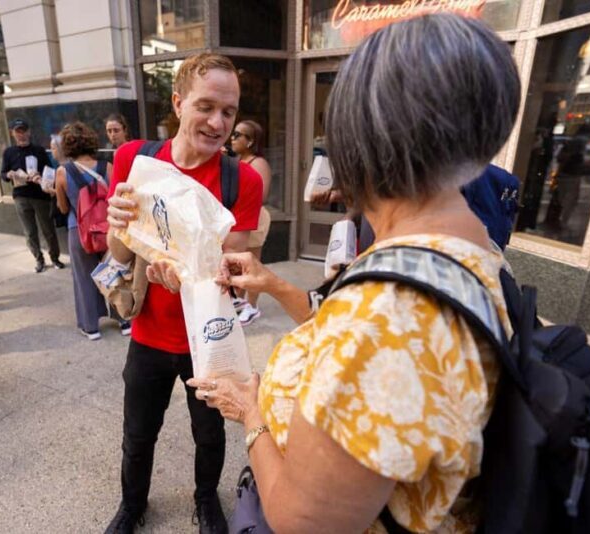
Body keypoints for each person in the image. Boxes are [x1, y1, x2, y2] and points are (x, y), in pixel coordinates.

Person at [187, 14, 520, 532]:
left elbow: (304, 521)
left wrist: (252, 415)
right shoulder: (472, 248)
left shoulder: (382, 319)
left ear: (357, 142)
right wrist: (273, 283)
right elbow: (339, 327)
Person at [105, 53, 263, 533]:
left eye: (229, 111)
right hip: (150, 334)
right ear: (178, 103)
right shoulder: (134, 159)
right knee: (138, 435)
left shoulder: (243, 180)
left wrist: (188, 272)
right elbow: (119, 250)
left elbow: (229, 270)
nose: (217, 122)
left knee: (209, 434)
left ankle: (206, 502)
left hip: (207, 338)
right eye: (206, 106)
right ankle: (132, 505)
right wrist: (117, 226)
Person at [53, 122, 130, 340]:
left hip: (78, 230)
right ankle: (124, 320)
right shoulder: (106, 166)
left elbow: (63, 207)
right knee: (114, 271)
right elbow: (116, 197)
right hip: (107, 229)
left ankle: (91, 327)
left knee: (83, 277)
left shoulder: (62, 172)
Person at [0, 119, 64, 273]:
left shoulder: (39, 150)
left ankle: (55, 258)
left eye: (23, 131)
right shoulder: (9, 152)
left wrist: (40, 175)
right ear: (13, 133)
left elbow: (49, 171)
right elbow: (3, 174)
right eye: (17, 131)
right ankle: (39, 259)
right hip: (20, 196)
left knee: (48, 229)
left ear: (29, 132)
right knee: (29, 232)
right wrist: (9, 174)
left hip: (40, 195)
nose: (21, 134)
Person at [228, 120, 272, 326]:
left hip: (253, 219)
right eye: (233, 133)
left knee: (252, 264)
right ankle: (240, 303)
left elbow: (261, 196)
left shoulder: (258, 163)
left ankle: (252, 307)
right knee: (237, 266)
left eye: (238, 135)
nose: (232, 138)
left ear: (250, 141)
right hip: (237, 220)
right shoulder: (236, 161)